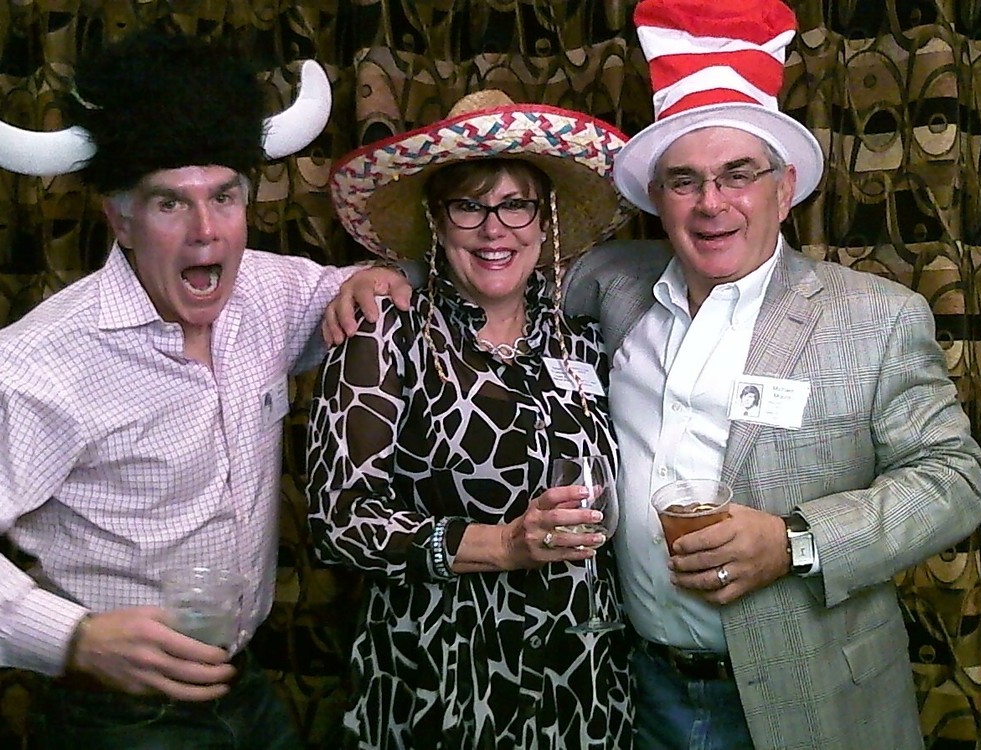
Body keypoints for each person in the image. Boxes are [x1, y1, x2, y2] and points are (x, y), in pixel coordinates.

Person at [558, 0, 981, 748]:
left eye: (738, 175)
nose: (712, 204)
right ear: (656, 199)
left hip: (811, 697)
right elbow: (489, 268)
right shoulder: (615, 285)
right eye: (684, 181)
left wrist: (796, 541)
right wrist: (379, 280)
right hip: (634, 691)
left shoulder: (876, 317)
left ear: (784, 189)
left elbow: (954, 481)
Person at [0, 27, 406, 750]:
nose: (206, 232)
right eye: (170, 204)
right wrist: (70, 637)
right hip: (115, 717)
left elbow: (352, 287)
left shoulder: (268, 293)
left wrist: (376, 277)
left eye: (224, 197)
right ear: (120, 219)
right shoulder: (40, 363)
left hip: (245, 685)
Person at [307, 90, 636, 749]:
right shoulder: (387, 331)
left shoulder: (584, 339)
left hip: (582, 675)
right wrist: (503, 545)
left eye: (516, 205)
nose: (495, 230)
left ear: (544, 220)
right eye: (469, 206)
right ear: (437, 219)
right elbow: (339, 523)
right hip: (443, 669)